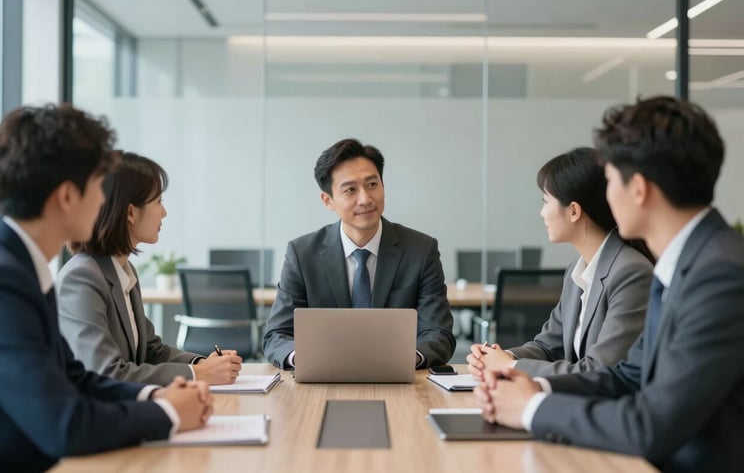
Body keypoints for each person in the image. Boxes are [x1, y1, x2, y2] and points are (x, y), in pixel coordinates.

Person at [474, 96, 744, 473]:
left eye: (611, 180)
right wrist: (529, 388)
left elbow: (651, 424)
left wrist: (532, 409)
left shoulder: (720, 276)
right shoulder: (686, 263)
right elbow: (623, 376)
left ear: (640, 189)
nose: (606, 195)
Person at [0, 105, 212, 472]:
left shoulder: (19, 267)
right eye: (99, 187)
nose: (105, 202)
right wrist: (166, 413)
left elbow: (77, 378)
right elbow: (64, 425)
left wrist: (156, 394)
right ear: (68, 196)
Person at [263, 138, 455, 369]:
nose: (365, 199)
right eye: (350, 190)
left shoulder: (421, 250)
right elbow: (276, 334)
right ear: (328, 201)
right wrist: (303, 359)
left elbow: (438, 333)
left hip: (399, 379)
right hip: (322, 378)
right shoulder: (303, 254)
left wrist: (406, 358)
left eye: (372, 185)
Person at [56, 152, 243, 386]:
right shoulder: (82, 277)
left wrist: (201, 364)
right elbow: (104, 372)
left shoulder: (123, 270)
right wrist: (199, 375)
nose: (163, 212)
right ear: (131, 212)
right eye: (158, 201)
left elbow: (150, 351)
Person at [466, 147, 653, 377]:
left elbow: (600, 370)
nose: (542, 213)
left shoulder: (630, 272)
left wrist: (510, 367)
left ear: (573, 211)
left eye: (546, 202)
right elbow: (547, 346)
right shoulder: (578, 271)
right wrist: (502, 357)